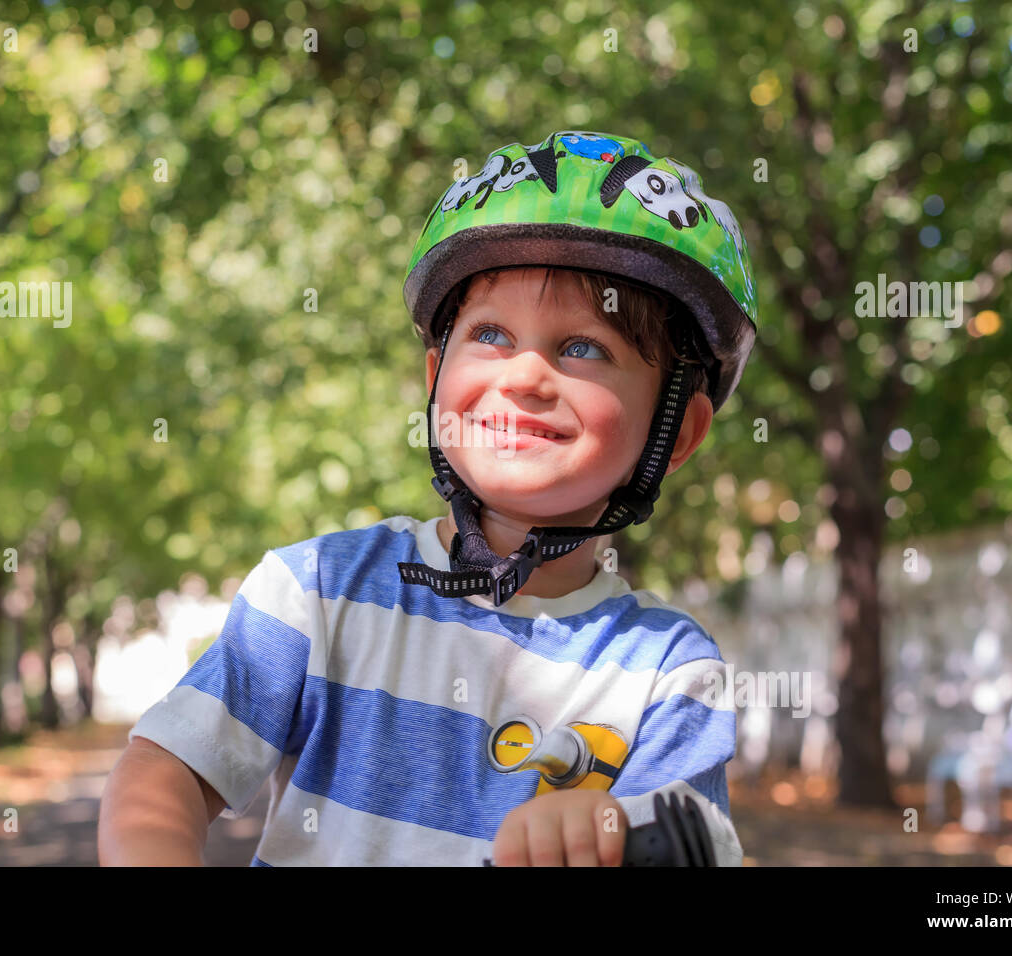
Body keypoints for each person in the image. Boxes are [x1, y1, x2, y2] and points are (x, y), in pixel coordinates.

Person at [99, 130, 758, 866]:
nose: (527, 376)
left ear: (678, 431)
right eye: (491, 334)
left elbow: (692, 844)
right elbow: (166, 773)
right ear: (435, 376)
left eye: (584, 348)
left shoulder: (668, 672)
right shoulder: (317, 593)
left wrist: (603, 838)